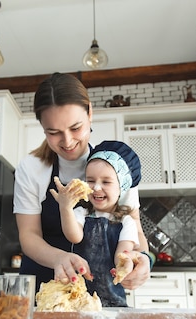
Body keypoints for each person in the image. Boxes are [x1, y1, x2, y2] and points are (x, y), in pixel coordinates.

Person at [13, 72, 150, 295]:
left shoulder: (116, 164)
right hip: (41, 284)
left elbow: (134, 226)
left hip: (99, 289)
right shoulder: (31, 168)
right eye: (54, 132)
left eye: (75, 128)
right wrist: (60, 258)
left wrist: (144, 259)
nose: (67, 142)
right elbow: (28, 235)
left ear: (90, 113)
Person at [50, 140, 141, 306]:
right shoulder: (82, 213)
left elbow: (121, 255)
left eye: (106, 182)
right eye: (91, 180)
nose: (96, 187)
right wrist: (65, 207)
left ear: (122, 187)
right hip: (78, 296)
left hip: (113, 299)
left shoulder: (126, 222)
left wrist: (126, 264)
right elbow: (74, 236)